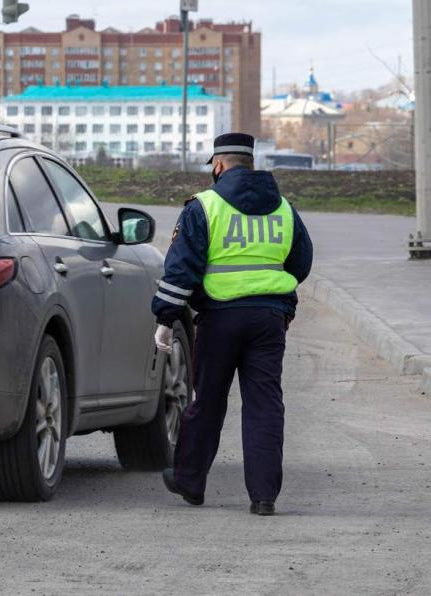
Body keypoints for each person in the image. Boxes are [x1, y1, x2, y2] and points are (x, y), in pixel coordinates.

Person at [152, 132, 313, 516]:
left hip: (219, 319)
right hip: (269, 321)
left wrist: (165, 317)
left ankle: (191, 483)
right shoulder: (285, 209)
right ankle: (263, 496)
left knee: (207, 401)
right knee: (265, 405)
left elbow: (181, 269)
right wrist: (278, 300)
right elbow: (301, 262)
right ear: (252, 164)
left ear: (219, 165)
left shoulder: (204, 207)